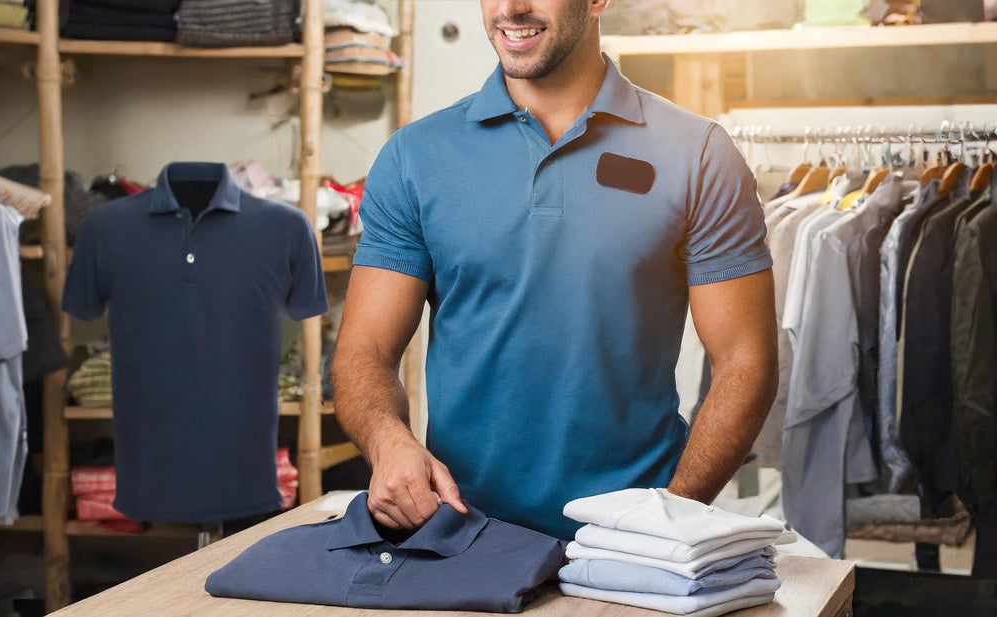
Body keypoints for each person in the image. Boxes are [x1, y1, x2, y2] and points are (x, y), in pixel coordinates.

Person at [331, 0, 777, 540]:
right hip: (458, 536)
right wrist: (389, 441)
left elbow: (744, 362)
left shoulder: (698, 154)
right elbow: (365, 351)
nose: (511, 8)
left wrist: (669, 522)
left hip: (634, 541)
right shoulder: (413, 157)